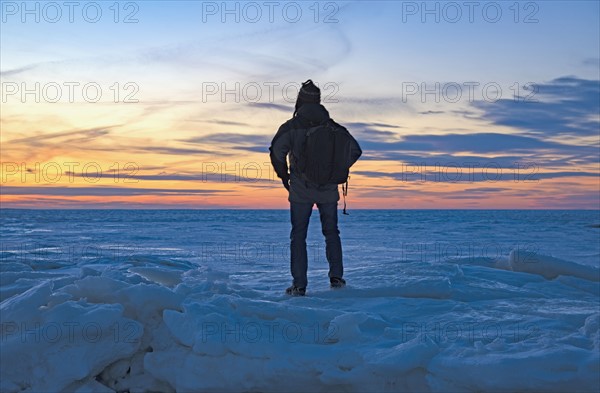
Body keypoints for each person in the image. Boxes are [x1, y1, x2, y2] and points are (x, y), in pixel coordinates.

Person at [269, 80, 362, 296]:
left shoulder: (292, 127)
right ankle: (336, 278)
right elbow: (355, 150)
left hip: (301, 188)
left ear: (300, 100)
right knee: (331, 233)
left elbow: (276, 152)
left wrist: (284, 176)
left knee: (298, 235)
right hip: (328, 189)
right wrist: (335, 168)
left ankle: (299, 285)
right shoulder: (334, 127)